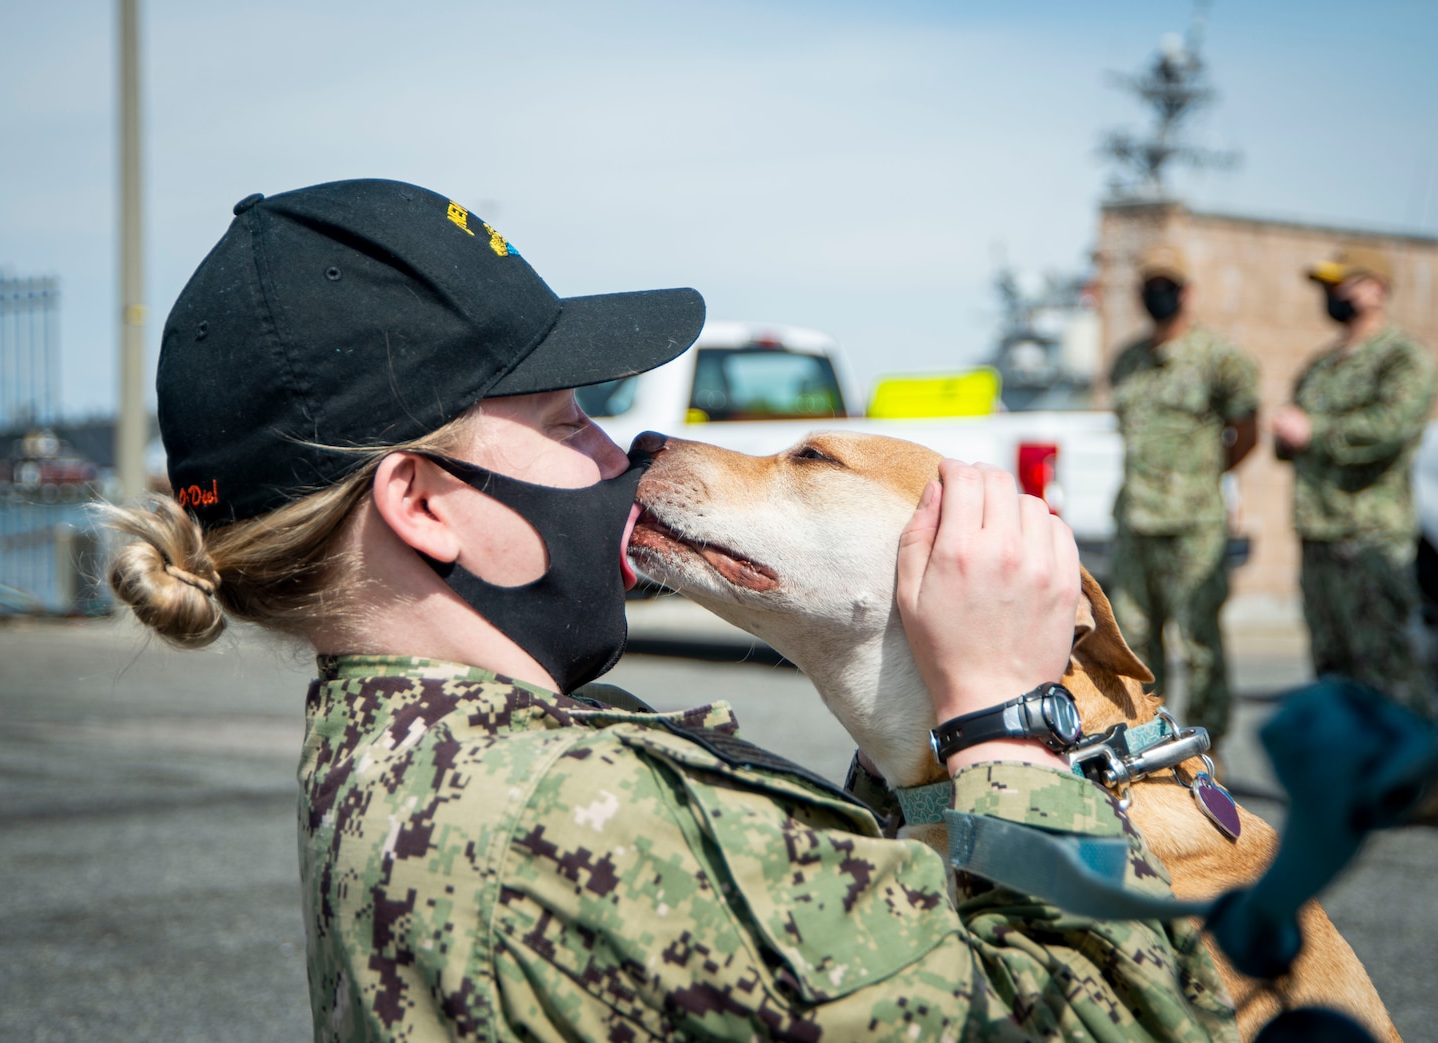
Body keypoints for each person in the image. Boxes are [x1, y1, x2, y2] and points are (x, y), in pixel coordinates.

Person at [107, 180, 1234, 1041]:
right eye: (562, 424)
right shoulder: (563, 821)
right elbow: (1116, 1013)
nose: (619, 452)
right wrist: (1000, 720)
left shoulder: (398, 749)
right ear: (423, 504)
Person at [1272, 243, 1436, 719]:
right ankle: (1351, 785)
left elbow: (1391, 427)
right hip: (1319, 535)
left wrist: (1313, 430)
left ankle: (1419, 786)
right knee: (1333, 674)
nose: (1331, 294)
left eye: (1339, 284)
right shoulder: (1322, 365)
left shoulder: (1402, 358)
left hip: (1370, 539)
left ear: (1376, 289)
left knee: (1390, 672)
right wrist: (1287, 433)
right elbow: (1291, 439)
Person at [1107, 245, 1260, 752]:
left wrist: (1208, 477)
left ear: (1187, 293)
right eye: (1148, 285)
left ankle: (1211, 748)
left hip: (1194, 522)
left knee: (1198, 641)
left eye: (1167, 285)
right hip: (1135, 520)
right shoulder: (1128, 361)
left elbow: (1247, 429)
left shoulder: (1219, 358)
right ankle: (1149, 745)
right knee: (1133, 639)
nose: (1157, 294)